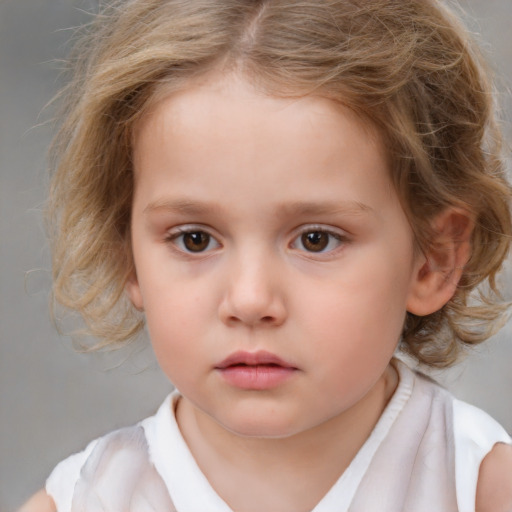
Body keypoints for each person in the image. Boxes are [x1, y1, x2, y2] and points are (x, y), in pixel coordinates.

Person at [19, 0, 512, 511]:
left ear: (433, 258)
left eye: (316, 239)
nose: (251, 300)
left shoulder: (480, 489)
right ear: (128, 254)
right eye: (195, 239)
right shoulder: (86, 500)